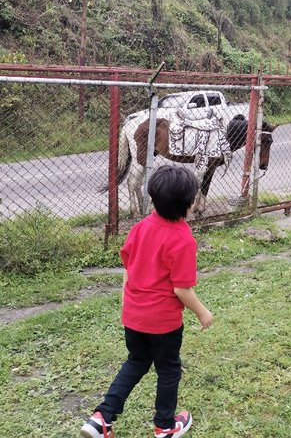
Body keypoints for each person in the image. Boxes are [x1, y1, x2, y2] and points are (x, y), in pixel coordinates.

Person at [81, 165, 213, 438]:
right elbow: (182, 289)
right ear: (189, 205)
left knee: (136, 361)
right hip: (163, 323)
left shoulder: (140, 228)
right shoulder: (183, 239)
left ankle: (101, 418)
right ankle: (165, 426)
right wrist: (202, 312)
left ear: (153, 199)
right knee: (168, 369)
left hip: (134, 316)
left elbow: (128, 268)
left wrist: (125, 300)